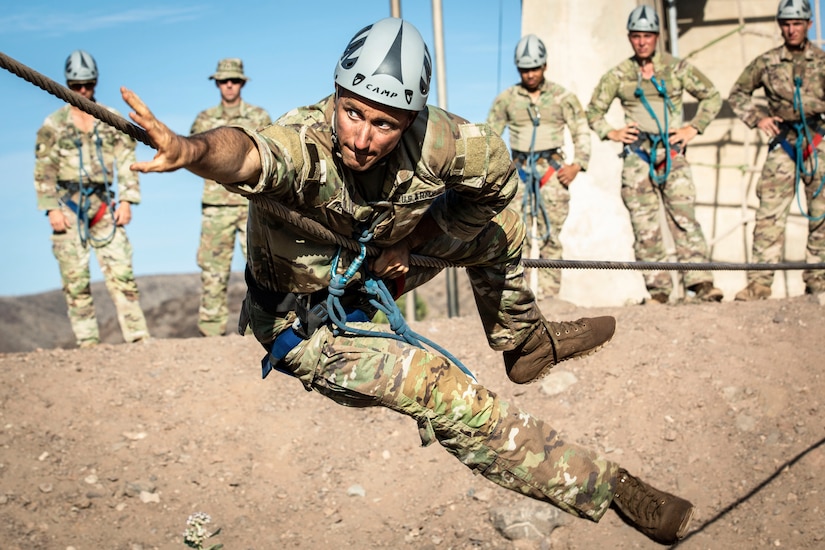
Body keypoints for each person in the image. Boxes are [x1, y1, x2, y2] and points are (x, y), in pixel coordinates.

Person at [120, 18, 693, 544]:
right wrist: (190, 150)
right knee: (443, 392)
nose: (362, 138)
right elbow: (247, 155)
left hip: (372, 277)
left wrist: (412, 241)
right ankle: (610, 488)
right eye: (352, 112)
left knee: (500, 230)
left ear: (413, 120)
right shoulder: (304, 142)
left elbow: (497, 183)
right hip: (313, 327)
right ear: (336, 96)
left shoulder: (446, 143)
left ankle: (523, 342)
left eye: (384, 124)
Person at [586, 5, 724, 304]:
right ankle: (658, 290)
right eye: (636, 36)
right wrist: (612, 132)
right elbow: (594, 111)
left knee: (684, 218)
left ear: (657, 37)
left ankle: (700, 283)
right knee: (644, 224)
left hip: (671, 151)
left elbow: (712, 95)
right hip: (637, 156)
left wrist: (694, 128)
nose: (642, 42)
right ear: (630, 38)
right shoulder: (619, 74)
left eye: (647, 36)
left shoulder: (677, 68)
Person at [34, 50, 149, 348]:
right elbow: (44, 168)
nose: (82, 91)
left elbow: (126, 157)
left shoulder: (109, 118)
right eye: (76, 85)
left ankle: (138, 340)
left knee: (122, 272)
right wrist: (50, 209)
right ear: (68, 84)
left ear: (95, 83)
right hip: (67, 206)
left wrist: (127, 200)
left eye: (87, 84)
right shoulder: (54, 125)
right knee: (75, 279)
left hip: (104, 204)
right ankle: (88, 345)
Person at [729, 0, 825, 301]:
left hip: (816, 140)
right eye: (786, 23)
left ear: (808, 25)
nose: (791, 29)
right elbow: (738, 93)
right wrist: (757, 118)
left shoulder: (822, 61)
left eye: (797, 23)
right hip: (783, 142)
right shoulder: (767, 61)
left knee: (822, 213)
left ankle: (818, 281)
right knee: (769, 214)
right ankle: (760, 284)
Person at [487, 34, 591, 298]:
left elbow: (581, 130)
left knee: (550, 236)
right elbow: (490, 137)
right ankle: (517, 295)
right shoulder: (507, 99)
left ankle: (549, 295)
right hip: (519, 173)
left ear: (544, 66)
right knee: (512, 234)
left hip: (552, 172)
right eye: (524, 69)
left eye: (534, 68)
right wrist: (495, 171)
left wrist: (578, 165)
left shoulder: (562, 97)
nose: (530, 74)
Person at [190, 58, 272, 336]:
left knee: (261, 267)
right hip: (217, 205)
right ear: (217, 83)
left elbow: (272, 156)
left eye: (234, 80)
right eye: (224, 80)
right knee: (213, 268)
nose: (229, 85)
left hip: (252, 203)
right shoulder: (204, 121)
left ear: (241, 83)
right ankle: (211, 331)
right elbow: (194, 157)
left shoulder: (259, 118)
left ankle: (263, 327)